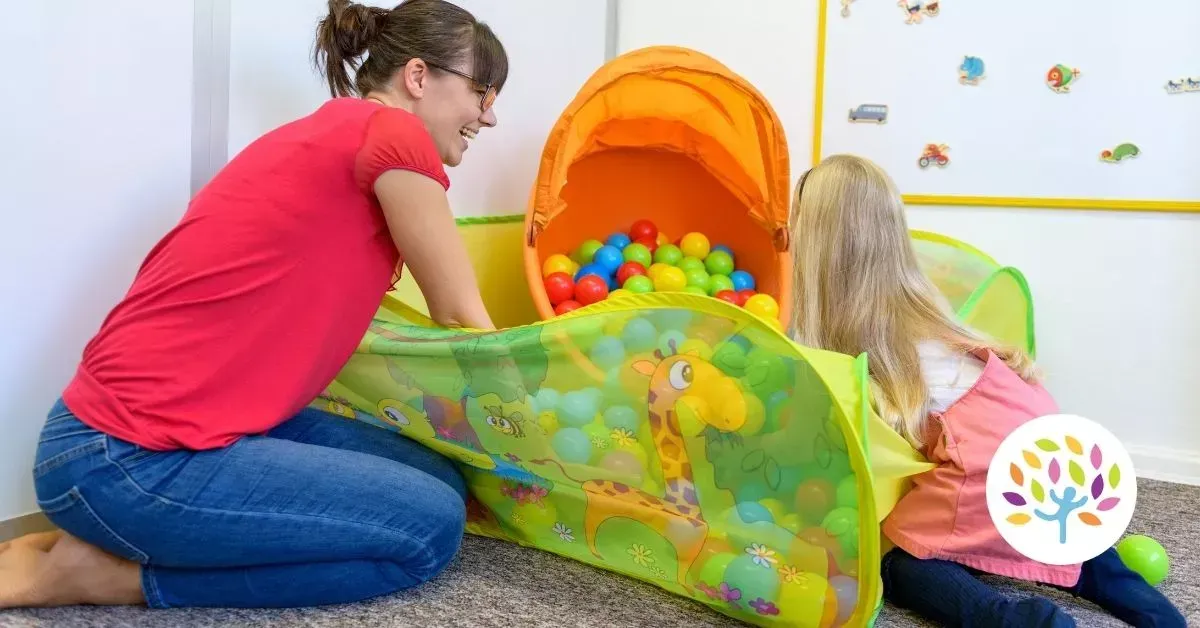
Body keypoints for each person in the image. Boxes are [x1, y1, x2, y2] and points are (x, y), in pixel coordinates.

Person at [0, 0, 508, 610]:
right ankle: (105, 578)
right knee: (429, 529)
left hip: (138, 440)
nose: (490, 115)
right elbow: (458, 313)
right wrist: (546, 405)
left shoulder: (329, 131)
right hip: (125, 458)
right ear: (419, 77)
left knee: (438, 479)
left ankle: (103, 539)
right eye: (482, 91)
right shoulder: (395, 135)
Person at [787, 154, 1185, 627]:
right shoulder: (922, 302)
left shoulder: (855, 334)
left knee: (895, 559)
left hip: (986, 459)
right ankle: (1145, 604)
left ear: (817, 245)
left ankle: (1013, 620)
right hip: (1044, 439)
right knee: (1054, 535)